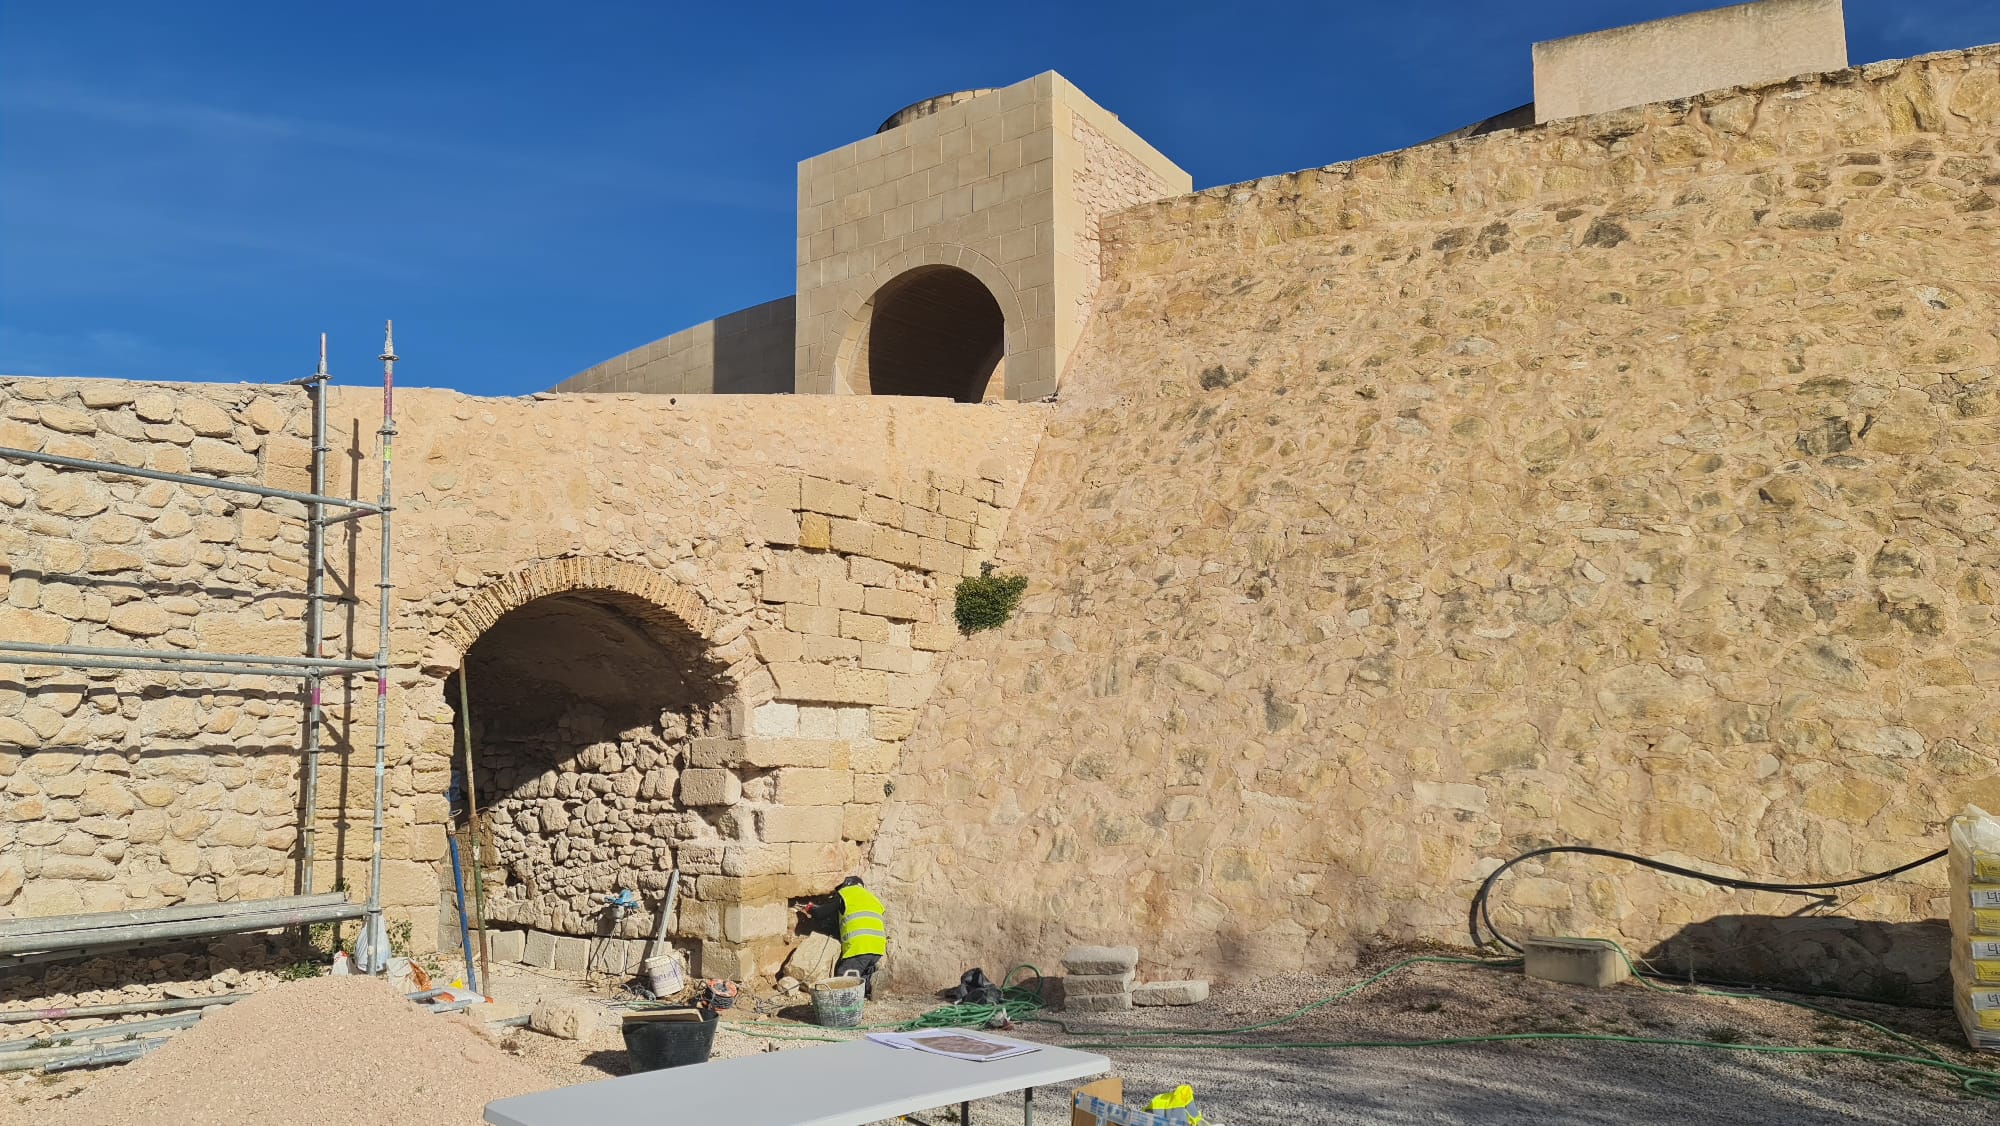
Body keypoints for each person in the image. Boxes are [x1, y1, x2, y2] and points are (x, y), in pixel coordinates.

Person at [796, 876, 887, 998]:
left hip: (859, 946)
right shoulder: (873, 899)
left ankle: (869, 985)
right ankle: (871, 979)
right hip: (878, 946)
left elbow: (821, 912)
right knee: (860, 973)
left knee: (844, 980)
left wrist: (810, 908)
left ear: (847, 884)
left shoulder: (845, 894)